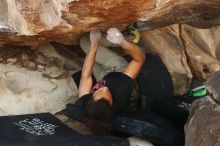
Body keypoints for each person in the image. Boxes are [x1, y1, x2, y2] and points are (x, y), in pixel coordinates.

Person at [77, 28, 145, 128]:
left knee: (85, 42)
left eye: (100, 92)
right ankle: (127, 39)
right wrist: (122, 42)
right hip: (119, 72)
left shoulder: (84, 105)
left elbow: (85, 76)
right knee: (88, 48)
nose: (105, 88)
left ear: (89, 100)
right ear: (112, 104)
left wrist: (94, 43)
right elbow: (139, 59)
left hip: (103, 77)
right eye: (108, 93)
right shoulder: (121, 91)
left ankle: (105, 41)